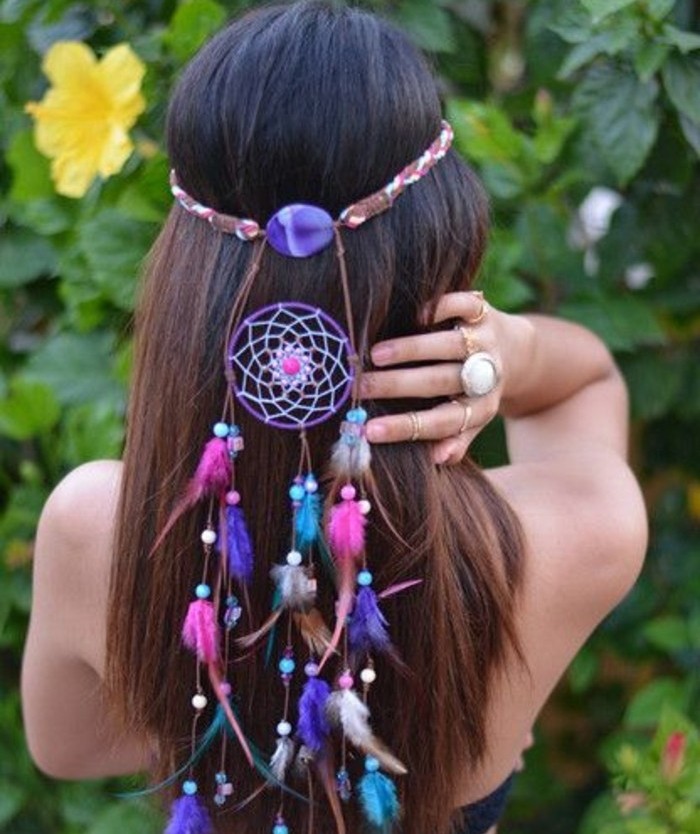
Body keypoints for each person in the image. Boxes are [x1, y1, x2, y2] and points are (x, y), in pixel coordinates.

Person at [21, 4, 647, 834]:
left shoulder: (94, 530)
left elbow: (67, 749)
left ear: (185, 283)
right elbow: (589, 383)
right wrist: (515, 352)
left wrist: (228, 702)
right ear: (445, 247)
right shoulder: (566, 539)